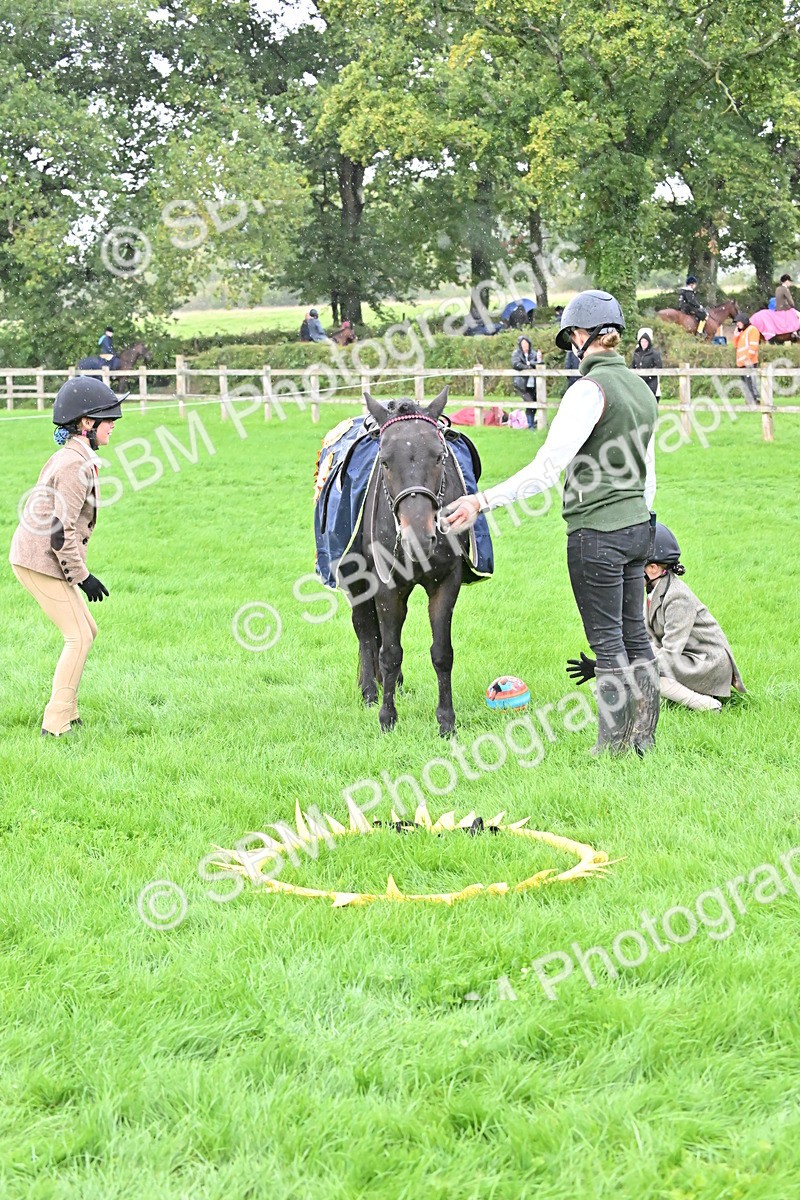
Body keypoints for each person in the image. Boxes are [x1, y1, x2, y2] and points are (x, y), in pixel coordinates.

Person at [444, 289, 660, 756]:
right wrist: (644, 522)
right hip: (639, 527)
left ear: (584, 335)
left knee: (607, 642)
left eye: (572, 337)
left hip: (596, 533)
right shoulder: (642, 387)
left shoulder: (589, 390)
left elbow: (547, 469)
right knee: (635, 634)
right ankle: (643, 739)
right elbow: (650, 469)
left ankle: (612, 748)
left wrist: (482, 501)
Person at [9, 377, 124, 737]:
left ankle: (69, 713)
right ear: (86, 424)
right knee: (78, 636)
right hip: (38, 561)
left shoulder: (77, 457)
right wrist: (82, 576)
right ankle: (56, 724)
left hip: (46, 556)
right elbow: (61, 530)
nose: (113, 426)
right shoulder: (74, 465)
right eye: (109, 419)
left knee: (87, 630)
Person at [566, 523, 745, 711]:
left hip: (706, 664)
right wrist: (605, 664)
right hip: (687, 658)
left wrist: (620, 671)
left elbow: (669, 655)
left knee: (647, 672)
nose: (625, 572)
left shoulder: (678, 598)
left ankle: (707, 705)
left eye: (632, 567)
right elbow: (644, 644)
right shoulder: (653, 592)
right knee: (642, 660)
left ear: (652, 568)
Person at [511, 335, 542, 429]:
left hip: (533, 383)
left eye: (526, 343)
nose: (525, 346)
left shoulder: (533, 353)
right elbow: (516, 364)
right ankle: (530, 425)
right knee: (530, 403)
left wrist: (533, 362)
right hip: (522, 384)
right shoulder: (516, 353)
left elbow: (539, 363)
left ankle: (531, 424)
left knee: (535, 404)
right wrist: (528, 366)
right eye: (523, 344)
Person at [732, 313, 760, 407]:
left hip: (749, 362)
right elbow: (735, 345)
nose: (737, 325)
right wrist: (736, 335)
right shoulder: (743, 332)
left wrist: (747, 359)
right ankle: (749, 401)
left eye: (738, 322)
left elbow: (753, 346)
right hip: (742, 363)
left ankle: (754, 400)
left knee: (751, 383)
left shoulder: (752, 330)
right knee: (745, 384)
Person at [630, 327, 663, 399]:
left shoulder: (654, 353)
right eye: (642, 342)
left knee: (651, 398)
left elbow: (659, 366)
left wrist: (649, 373)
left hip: (651, 381)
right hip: (639, 381)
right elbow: (632, 367)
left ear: (648, 342)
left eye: (645, 342)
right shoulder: (636, 354)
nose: (644, 344)